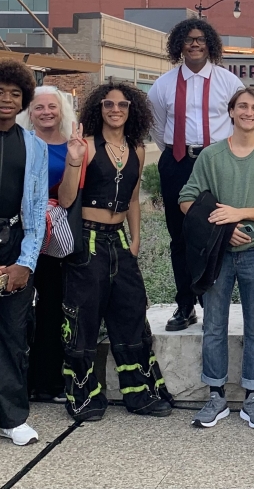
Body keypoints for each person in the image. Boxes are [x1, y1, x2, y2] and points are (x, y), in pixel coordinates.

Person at [60, 83, 172, 422]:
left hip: (120, 240)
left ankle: (139, 392)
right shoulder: (87, 146)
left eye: (122, 104)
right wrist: (73, 162)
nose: (115, 109)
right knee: (84, 316)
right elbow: (66, 200)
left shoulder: (137, 147)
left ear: (131, 109)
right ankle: (82, 393)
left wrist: (135, 238)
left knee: (131, 311)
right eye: (109, 104)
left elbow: (134, 199)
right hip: (88, 239)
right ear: (99, 108)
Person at [178, 87, 254, 429]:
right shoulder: (211, 156)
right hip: (218, 256)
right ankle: (216, 396)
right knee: (214, 324)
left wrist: (239, 213)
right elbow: (187, 201)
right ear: (231, 112)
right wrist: (222, 231)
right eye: (242, 106)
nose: (248, 112)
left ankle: (253, 398)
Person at [148, 18, 243, 332]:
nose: (195, 43)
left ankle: (213, 305)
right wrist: (181, 152)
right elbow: (159, 128)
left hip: (217, 163)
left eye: (201, 38)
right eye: (188, 39)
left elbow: (240, 121)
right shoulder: (163, 85)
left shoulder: (229, 83)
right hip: (178, 162)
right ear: (179, 44)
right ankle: (185, 305)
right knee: (180, 236)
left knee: (217, 234)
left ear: (210, 43)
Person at [18, 86, 78, 402]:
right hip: (21, 234)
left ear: (61, 110)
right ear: (30, 111)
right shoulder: (19, 143)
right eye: (39, 107)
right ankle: (21, 382)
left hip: (55, 238)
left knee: (52, 309)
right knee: (18, 310)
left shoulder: (71, 146)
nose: (45, 112)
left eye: (51, 107)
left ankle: (49, 380)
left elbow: (69, 197)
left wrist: (74, 160)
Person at [0, 59, 47, 447]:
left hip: (13, 243)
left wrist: (25, 263)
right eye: (0, 92)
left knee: (13, 336)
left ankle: (13, 418)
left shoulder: (34, 146)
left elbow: (36, 213)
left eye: (14, 94)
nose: (6, 100)